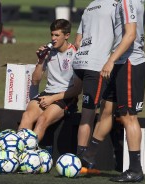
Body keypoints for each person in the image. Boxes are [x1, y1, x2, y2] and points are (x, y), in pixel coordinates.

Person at [80, 0, 145, 182]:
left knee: (128, 116)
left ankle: (135, 169)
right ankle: (87, 158)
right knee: (106, 110)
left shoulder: (126, 1)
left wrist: (110, 60)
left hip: (129, 63)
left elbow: (130, 34)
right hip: (120, 63)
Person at [44, 0, 118, 156]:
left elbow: (77, 42)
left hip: (79, 62)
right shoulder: (116, 6)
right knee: (89, 115)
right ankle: (82, 158)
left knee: (95, 108)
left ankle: (85, 155)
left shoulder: (90, 6)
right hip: (96, 65)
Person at [18, 19, 78, 142]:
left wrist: (52, 98)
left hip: (65, 96)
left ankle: (30, 154)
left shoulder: (76, 54)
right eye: (52, 34)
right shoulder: (48, 52)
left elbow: (77, 90)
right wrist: (40, 61)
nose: (53, 38)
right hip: (47, 93)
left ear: (67, 36)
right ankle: (18, 151)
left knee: (42, 119)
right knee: (27, 116)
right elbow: (35, 81)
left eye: (57, 35)